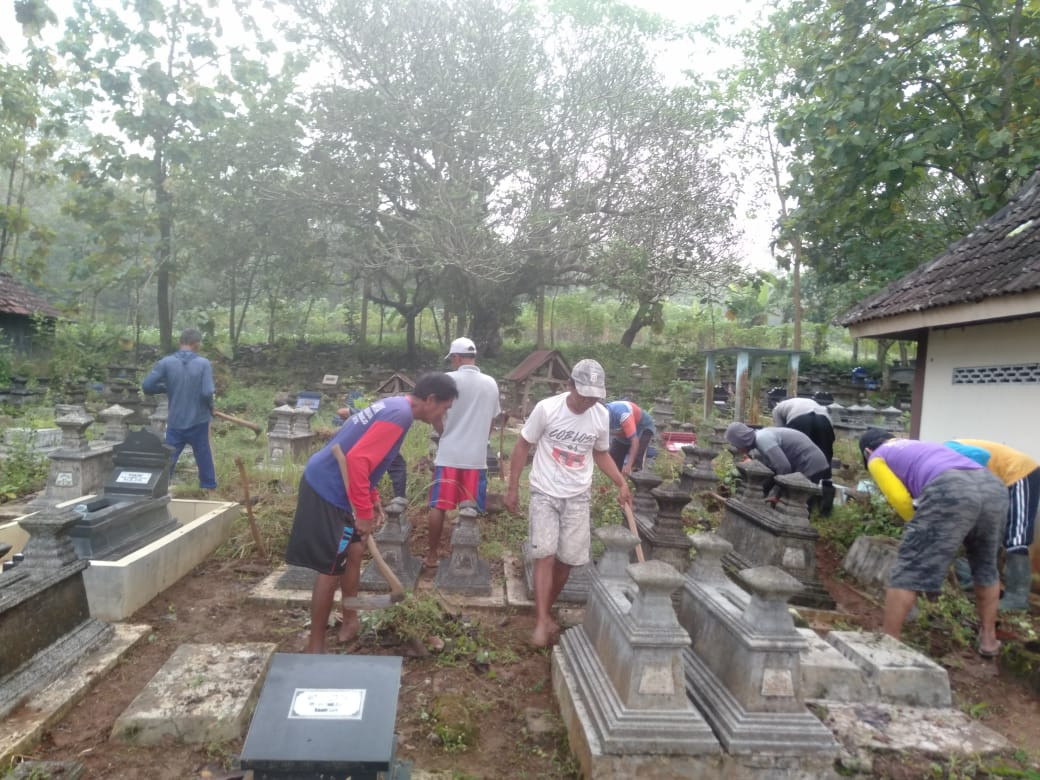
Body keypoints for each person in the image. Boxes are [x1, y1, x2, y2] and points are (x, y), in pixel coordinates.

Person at [285, 373, 458, 653]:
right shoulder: (399, 415)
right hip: (327, 489)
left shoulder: (395, 407)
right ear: (431, 400)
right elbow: (356, 460)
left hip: (344, 487)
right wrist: (363, 512)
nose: (444, 415)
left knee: (354, 553)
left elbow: (362, 452)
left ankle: (350, 620)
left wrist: (372, 496)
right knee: (330, 567)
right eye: (445, 408)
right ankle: (315, 644)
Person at [504, 359, 632, 647]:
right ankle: (540, 621)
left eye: (594, 396)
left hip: (577, 495)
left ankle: (545, 610)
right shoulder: (547, 409)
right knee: (544, 553)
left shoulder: (600, 416)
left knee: (568, 560)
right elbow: (523, 445)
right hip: (544, 491)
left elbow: (600, 453)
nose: (588, 400)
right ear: (570, 385)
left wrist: (621, 482)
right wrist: (512, 488)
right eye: (583, 393)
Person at [859, 428, 1008, 656]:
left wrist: (922, 531)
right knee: (986, 566)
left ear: (867, 451)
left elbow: (899, 498)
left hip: (951, 488)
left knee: (908, 567)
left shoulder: (876, 457)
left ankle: (888, 644)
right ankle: (988, 640)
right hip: (992, 486)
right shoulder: (917, 444)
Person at [425, 337, 502, 569]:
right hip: (475, 458)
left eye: (452, 359)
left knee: (439, 505)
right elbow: (492, 420)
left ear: (457, 358)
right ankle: (466, 558)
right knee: (468, 509)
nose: (451, 363)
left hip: (449, 454)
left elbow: (434, 414)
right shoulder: (490, 383)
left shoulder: (447, 381)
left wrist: (444, 433)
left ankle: (431, 555)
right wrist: (482, 440)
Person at [945, 439, 1038, 611]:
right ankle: (974, 585)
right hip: (995, 482)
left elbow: (981, 457)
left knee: (1017, 536)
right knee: (981, 533)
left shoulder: (949, 453)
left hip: (1018, 472)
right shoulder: (940, 462)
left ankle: (1017, 599)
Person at [141, 327, 217, 490]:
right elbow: (207, 392)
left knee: (169, 457)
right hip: (199, 419)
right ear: (196, 344)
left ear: (180, 342)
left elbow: (147, 386)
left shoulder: (166, 363)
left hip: (175, 420)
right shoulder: (203, 364)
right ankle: (208, 488)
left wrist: (166, 387)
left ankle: (160, 488)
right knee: (203, 454)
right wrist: (211, 406)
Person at [725, 422, 832, 511]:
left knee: (796, 505)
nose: (738, 449)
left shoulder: (762, 439)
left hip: (809, 463)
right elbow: (772, 469)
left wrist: (776, 494)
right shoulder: (760, 438)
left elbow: (784, 468)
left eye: (736, 445)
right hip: (805, 461)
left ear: (741, 440)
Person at [771, 396, 835, 465]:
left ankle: (795, 473)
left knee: (795, 451)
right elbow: (830, 432)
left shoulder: (777, 408)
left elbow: (781, 433)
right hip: (824, 420)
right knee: (824, 452)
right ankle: (824, 473)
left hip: (800, 418)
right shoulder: (807, 401)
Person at [604, 399, 656, 475]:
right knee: (614, 457)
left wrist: (628, 465)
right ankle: (615, 482)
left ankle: (636, 480)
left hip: (642, 426)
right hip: (622, 429)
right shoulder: (598, 416)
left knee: (637, 459)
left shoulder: (623, 415)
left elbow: (635, 442)